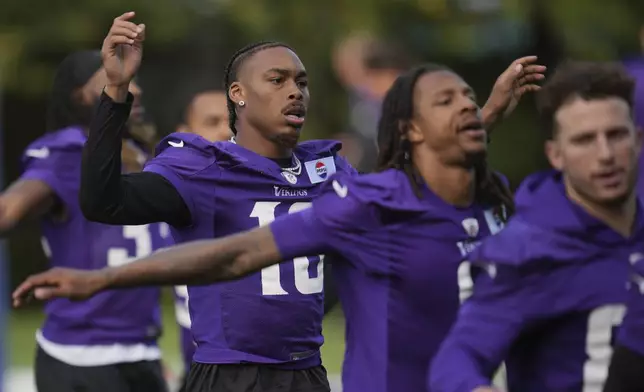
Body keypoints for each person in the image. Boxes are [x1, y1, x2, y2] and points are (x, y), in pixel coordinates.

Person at [14, 56, 545, 391]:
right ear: (239, 94)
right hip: (230, 372)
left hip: (308, 370)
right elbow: (105, 202)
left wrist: (484, 117)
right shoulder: (202, 167)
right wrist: (114, 98)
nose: (297, 90)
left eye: (303, 81)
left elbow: (407, 188)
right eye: (278, 79)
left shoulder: (327, 168)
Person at [429, 61, 644, 392]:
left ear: (638, 140)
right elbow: (456, 363)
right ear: (555, 154)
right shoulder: (526, 253)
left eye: (616, 135)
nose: (605, 154)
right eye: (585, 140)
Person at [0, 51, 170, 392]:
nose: (132, 88)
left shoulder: (144, 154)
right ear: (78, 94)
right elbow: (7, 212)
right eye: (113, 78)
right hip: (80, 356)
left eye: (133, 78)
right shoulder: (70, 152)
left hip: (140, 350)